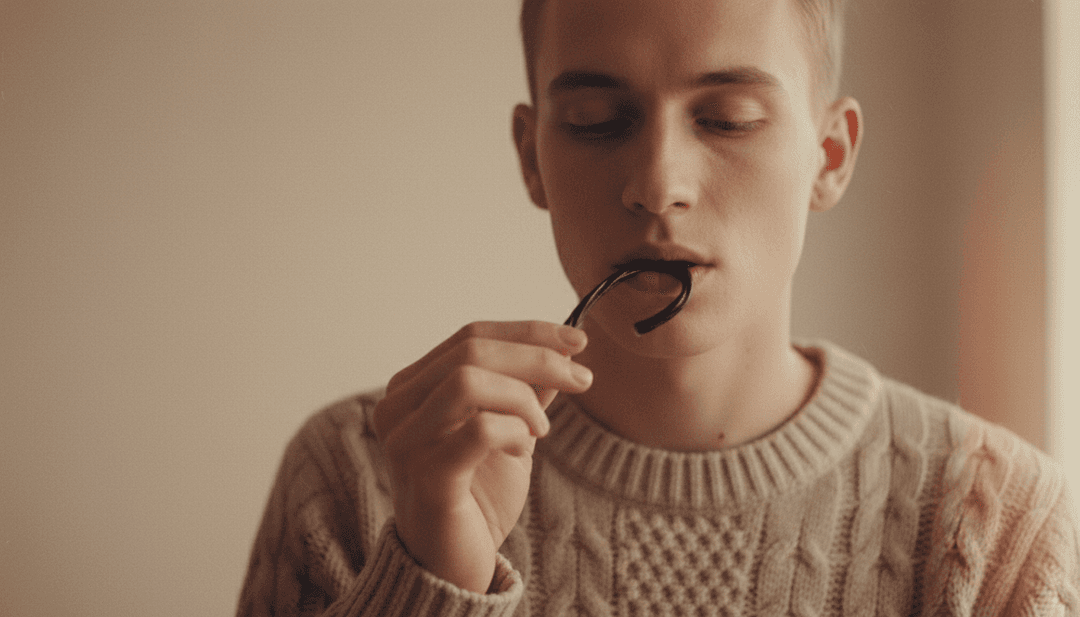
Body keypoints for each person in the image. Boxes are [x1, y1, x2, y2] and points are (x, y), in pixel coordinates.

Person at [237, 0, 1080, 614]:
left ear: (829, 155)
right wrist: (430, 575)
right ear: (532, 157)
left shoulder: (999, 528)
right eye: (600, 122)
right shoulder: (357, 478)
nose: (657, 186)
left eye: (727, 119)